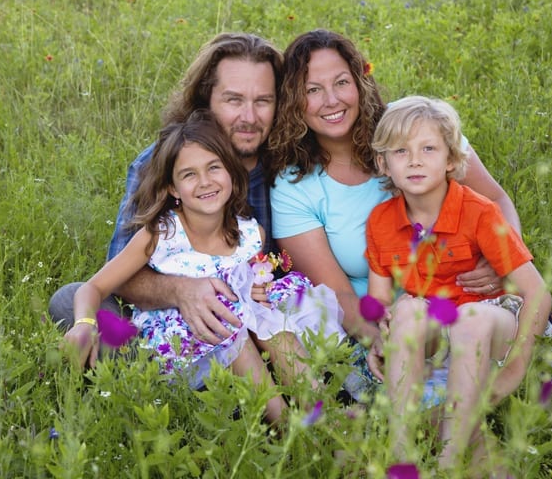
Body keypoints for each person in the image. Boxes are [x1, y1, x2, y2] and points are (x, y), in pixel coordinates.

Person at [62, 112, 344, 423]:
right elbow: (94, 286)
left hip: (243, 330)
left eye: (214, 168)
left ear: (232, 173)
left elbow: (252, 288)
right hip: (190, 340)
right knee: (230, 325)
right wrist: (84, 322)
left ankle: (323, 417)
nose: (205, 182)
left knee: (270, 318)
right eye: (189, 174)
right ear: (172, 187)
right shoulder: (161, 234)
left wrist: (257, 290)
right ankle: (282, 425)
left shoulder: (252, 234)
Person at [268, 29, 521, 344]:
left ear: (360, 83)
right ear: (294, 100)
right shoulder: (294, 185)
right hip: (386, 326)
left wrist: (504, 262)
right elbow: (340, 296)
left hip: (473, 305)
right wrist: (384, 346)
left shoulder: (412, 126)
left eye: (341, 82)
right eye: (313, 89)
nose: (331, 100)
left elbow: (496, 198)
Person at [49, 33, 284, 343]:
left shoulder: (288, 163)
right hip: (177, 325)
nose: (249, 117)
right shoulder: (158, 165)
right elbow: (121, 273)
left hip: (263, 321)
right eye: (234, 99)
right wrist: (181, 290)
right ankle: (153, 379)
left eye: (263, 101)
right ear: (206, 100)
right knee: (71, 299)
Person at [363, 96, 552, 468]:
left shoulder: (478, 211)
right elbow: (379, 302)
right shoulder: (382, 221)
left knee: (472, 319)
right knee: (407, 310)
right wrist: (381, 336)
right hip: (439, 326)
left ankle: (451, 458)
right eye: (401, 151)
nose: (415, 160)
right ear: (383, 163)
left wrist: (516, 366)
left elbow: (536, 292)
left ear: (451, 159)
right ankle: (402, 453)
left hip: (495, 319)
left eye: (428, 148)